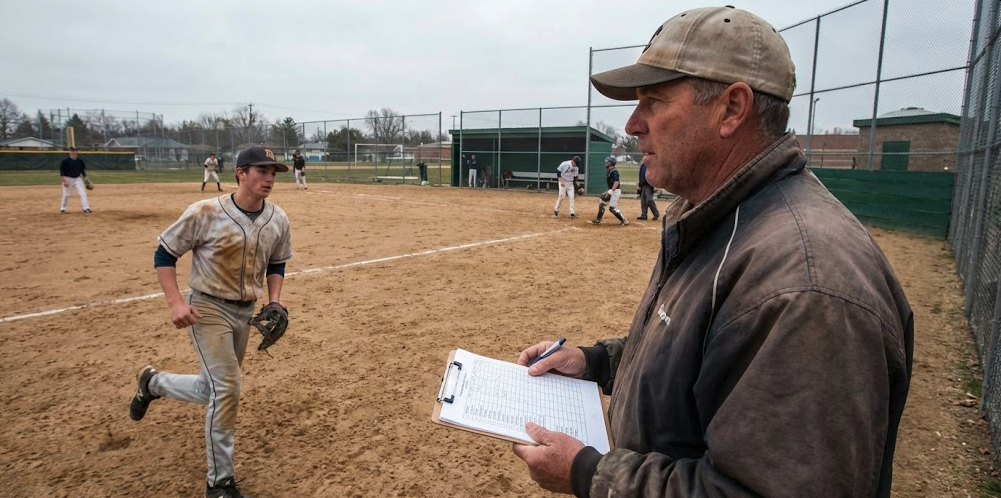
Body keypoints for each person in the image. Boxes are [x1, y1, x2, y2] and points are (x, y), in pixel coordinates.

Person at [511, 6, 913, 498]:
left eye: (654, 101)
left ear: (732, 109)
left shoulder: (804, 288)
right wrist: (594, 362)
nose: (634, 123)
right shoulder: (720, 214)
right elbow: (700, 360)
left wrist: (590, 474)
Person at [128, 146, 293, 498]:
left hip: (246, 312)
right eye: (261, 171)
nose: (269, 178)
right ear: (240, 173)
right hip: (207, 308)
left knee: (211, 389)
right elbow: (165, 252)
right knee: (228, 388)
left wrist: (275, 301)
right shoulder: (205, 211)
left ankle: (154, 383)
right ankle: (219, 483)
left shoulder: (278, 219)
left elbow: (277, 264)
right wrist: (175, 303)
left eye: (273, 173)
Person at [590, 156, 627, 225]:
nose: (606, 163)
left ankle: (624, 220)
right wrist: (608, 191)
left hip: (615, 191)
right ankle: (598, 220)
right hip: (612, 190)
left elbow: (616, 182)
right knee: (602, 203)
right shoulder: (609, 171)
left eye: (608, 162)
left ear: (611, 163)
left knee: (612, 208)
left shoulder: (614, 172)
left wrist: (611, 191)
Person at [59, 146, 91, 214]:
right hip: (67, 178)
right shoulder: (65, 161)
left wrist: (86, 180)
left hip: (77, 178)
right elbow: (62, 172)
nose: (73, 152)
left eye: (75, 150)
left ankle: (86, 208)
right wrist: (64, 181)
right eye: (72, 150)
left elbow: (82, 171)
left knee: (83, 193)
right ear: (69, 152)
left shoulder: (80, 161)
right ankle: (62, 209)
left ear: (77, 152)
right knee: (66, 194)